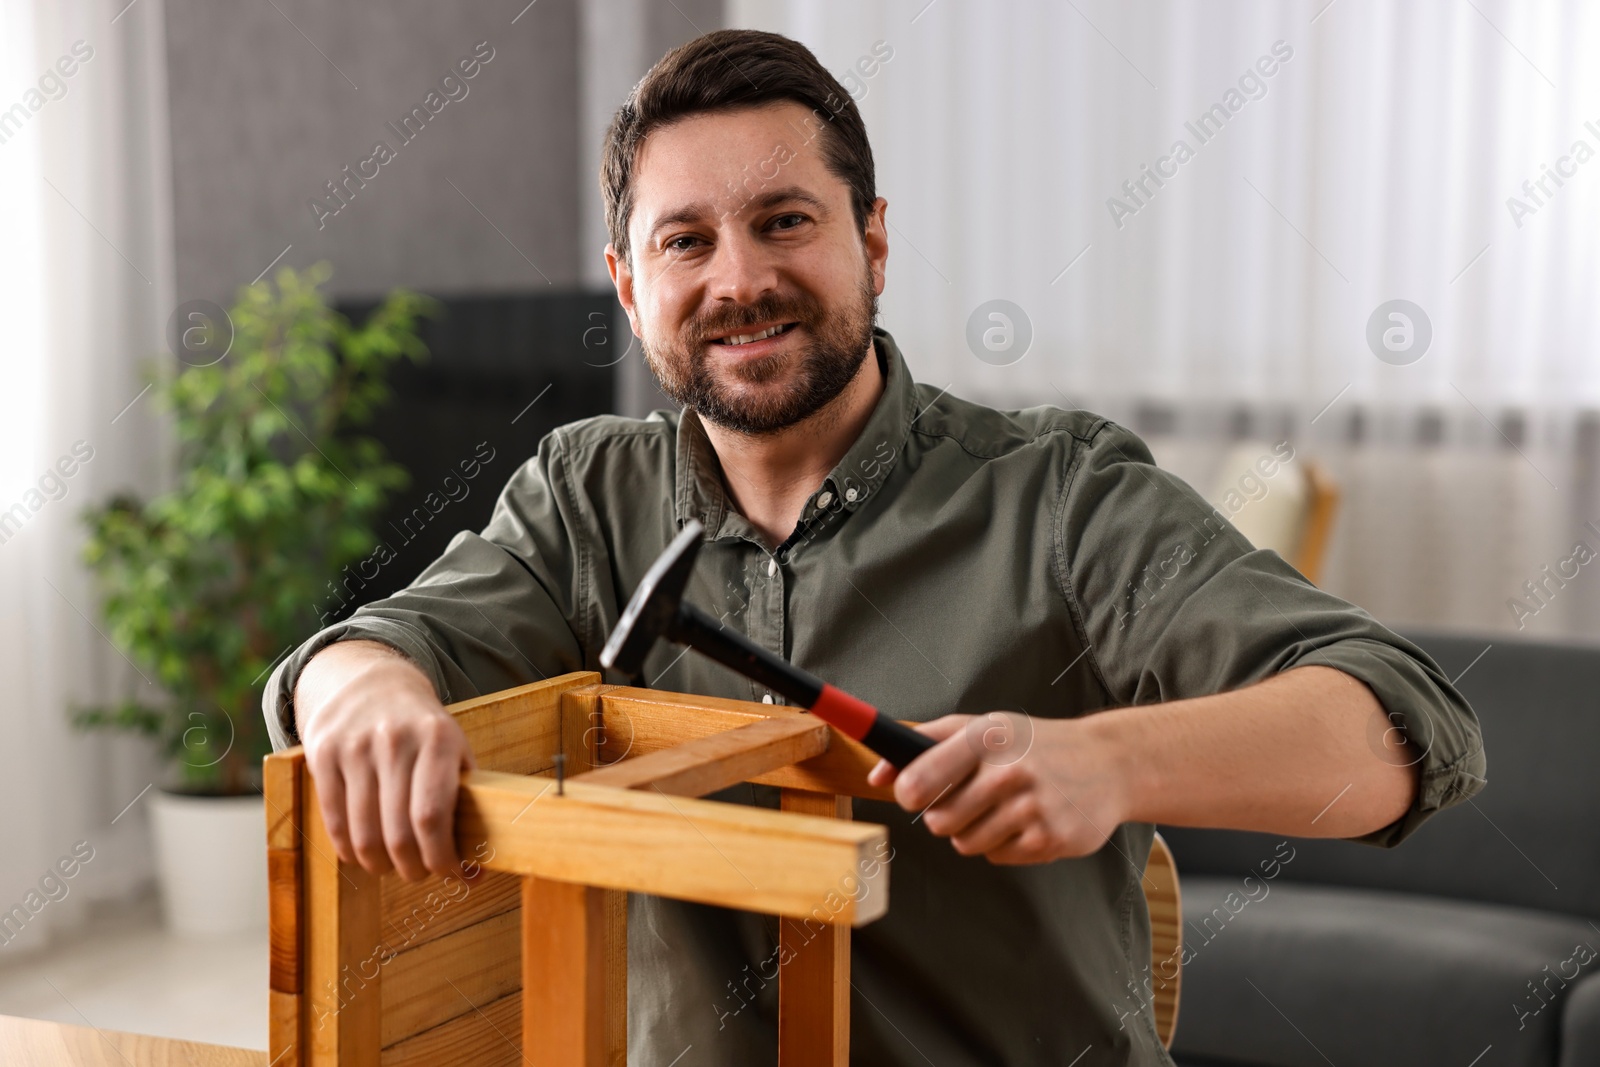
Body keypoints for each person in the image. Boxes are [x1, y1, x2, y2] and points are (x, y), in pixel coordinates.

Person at [264, 28, 1486, 1067]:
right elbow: (368, 649)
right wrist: (361, 689)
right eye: (684, 241)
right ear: (630, 290)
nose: (739, 279)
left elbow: (1400, 725)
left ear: (874, 242)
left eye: (784, 220)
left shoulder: (1058, 491)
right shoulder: (586, 492)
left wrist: (1104, 760)